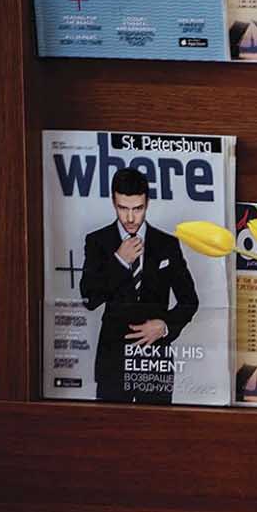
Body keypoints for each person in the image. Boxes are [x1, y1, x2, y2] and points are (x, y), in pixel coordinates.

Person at [78, 168, 199, 404]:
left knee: (156, 426)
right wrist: (119, 261)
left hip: (155, 359)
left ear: (147, 203)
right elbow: (89, 299)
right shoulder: (97, 241)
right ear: (113, 202)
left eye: (138, 208)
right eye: (123, 208)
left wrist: (165, 326)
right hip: (113, 360)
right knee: (110, 425)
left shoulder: (167, 244)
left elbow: (189, 301)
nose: (130, 218)